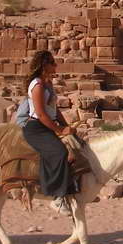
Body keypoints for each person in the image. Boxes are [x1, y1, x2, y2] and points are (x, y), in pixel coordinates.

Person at [21, 50, 77, 214]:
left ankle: (71, 189)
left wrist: (67, 126)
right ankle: (57, 198)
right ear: (44, 65)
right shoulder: (37, 85)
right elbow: (41, 114)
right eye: (52, 63)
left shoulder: (48, 83)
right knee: (60, 152)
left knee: (77, 147)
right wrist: (59, 130)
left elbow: (54, 109)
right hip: (36, 127)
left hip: (47, 125)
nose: (56, 65)